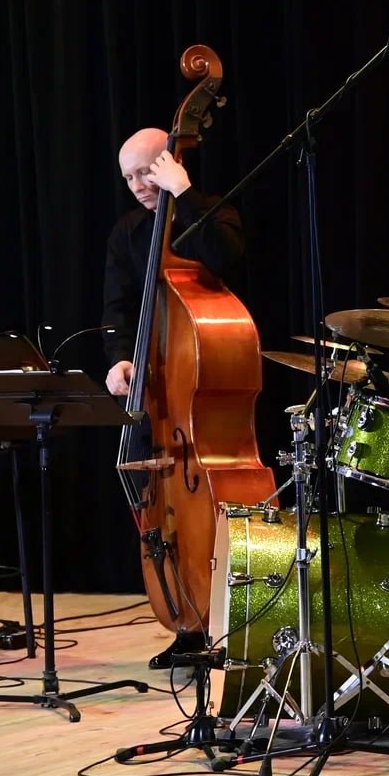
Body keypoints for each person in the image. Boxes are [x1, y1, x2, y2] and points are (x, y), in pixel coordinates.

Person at [101, 127, 245, 669]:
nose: (138, 184)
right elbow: (117, 307)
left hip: (202, 406)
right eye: (128, 178)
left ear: (169, 163)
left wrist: (184, 196)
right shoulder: (128, 232)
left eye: (145, 171)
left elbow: (226, 255)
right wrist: (120, 358)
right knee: (160, 514)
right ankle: (187, 623)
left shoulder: (213, 212)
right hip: (159, 402)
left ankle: (230, 621)